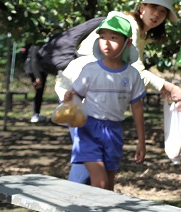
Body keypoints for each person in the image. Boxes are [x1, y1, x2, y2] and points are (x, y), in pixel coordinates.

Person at [57, 0, 181, 184]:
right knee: (88, 161)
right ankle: (75, 202)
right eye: (153, 8)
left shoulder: (141, 34)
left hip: (99, 101)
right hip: (81, 92)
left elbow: (131, 75)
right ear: (142, 8)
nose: (157, 14)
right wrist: (169, 87)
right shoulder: (128, 25)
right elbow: (138, 72)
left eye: (163, 11)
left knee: (97, 166)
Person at [62, 13, 146, 190]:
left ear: (128, 42)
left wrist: (141, 140)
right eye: (102, 37)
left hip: (114, 131)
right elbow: (76, 94)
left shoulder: (132, 75)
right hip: (88, 130)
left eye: (113, 37)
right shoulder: (90, 70)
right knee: (99, 182)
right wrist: (70, 98)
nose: (106, 42)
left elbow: (137, 107)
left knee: (108, 184)